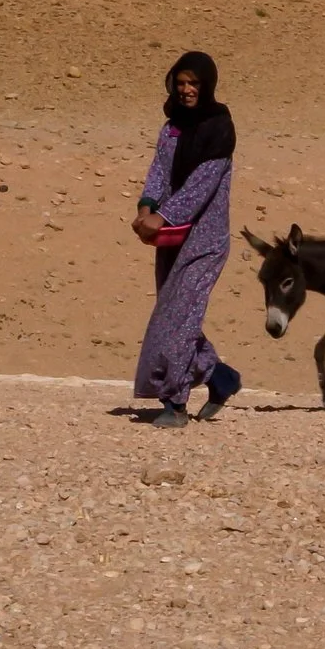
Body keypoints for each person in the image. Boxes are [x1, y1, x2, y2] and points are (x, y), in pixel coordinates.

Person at [131, 51, 242, 427]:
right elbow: (159, 172)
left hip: (204, 242)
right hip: (172, 238)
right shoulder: (172, 128)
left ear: (207, 85)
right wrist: (147, 207)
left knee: (175, 319)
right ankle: (220, 377)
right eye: (180, 83)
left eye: (193, 83)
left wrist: (163, 216)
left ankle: (175, 402)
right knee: (175, 315)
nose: (186, 90)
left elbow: (200, 187)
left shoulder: (219, 130)